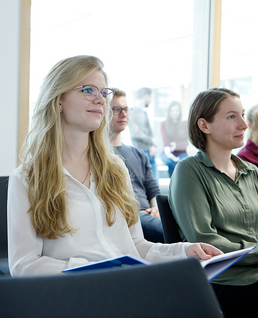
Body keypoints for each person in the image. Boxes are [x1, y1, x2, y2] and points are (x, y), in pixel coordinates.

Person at [7, 55, 222, 277]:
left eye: (103, 92)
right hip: (76, 295)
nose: (100, 100)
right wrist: (91, 270)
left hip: (127, 286)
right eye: (88, 90)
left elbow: (136, 247)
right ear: (58, 99)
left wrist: (184, 251)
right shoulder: (27, 178)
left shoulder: (116, 169)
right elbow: (24, 265)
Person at [169, 87, 258, 317]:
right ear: (204, 125)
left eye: (242, 114)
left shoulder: (252, 172)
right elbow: (205, 241)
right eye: (232, 117)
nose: (244, 124)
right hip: (230, 281)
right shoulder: (189, 170)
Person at [109, 88, 164, 243]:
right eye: (117, 109)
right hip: (128, 218)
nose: (124, 114)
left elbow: (152, 190)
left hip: (149, 215)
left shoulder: (139, 153)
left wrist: (156, 209)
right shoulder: (97, 155)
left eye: (126, 109)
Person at [128, 87, 158, 184]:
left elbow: (150, 131)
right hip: (140, 153)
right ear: (146, 96)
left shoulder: (144, 113)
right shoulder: (131, 112)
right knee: (143, 185)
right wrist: (151, 141)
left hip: (150, 153)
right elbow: (136, 133)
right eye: (150, 97)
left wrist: (153, 146)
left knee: (155, 184)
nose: (151, 100)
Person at [160, 101, 189, 177]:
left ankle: (180, 184)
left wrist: (176, 145)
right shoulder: (164, 123)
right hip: (167, 152)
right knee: (171, 163)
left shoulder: (185, 123)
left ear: (180, 111)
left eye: (177, 110)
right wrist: (171, 156)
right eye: (172, 111)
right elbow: (166, 142)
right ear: (169, 112)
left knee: (182, 163)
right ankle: (173, 184)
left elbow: (187, 142)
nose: (174, 113)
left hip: (182, 152)